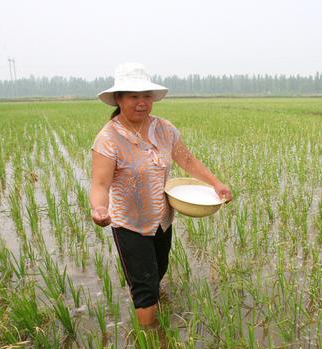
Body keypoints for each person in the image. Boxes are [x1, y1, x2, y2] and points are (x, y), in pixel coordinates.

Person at [89, 63, 232, 327]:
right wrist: (99, 208)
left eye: (146, 96)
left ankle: (153, 304)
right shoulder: (108, 139)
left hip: (161, 220)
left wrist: (216, 183)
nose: (141, 102)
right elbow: (100, 184)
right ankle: (150, 346)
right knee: (144, 290)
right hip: (129, 224)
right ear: (119, 99)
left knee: (158, 270)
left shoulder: (164, 129)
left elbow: (188, 160)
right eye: (133, 96)